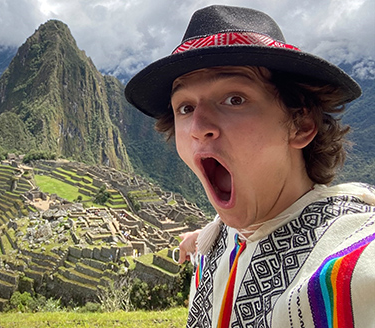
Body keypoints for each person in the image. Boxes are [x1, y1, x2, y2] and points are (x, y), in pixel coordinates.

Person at [125, 5, 374, 328]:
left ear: (301, 123)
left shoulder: (355, 271)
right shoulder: (218, 246)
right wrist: (201, 237)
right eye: (185, 107)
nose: (198, 126)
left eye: (234, 99)